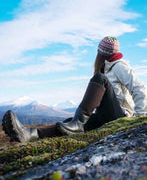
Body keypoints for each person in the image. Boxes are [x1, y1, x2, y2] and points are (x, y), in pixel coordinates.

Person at [2, 36, 147, 142]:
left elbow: (140, 88)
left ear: (100, 53)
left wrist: (138, 119)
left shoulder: (119, 66)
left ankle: (78, 123)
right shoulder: (107, 68)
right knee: (68, 123)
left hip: (119, 116)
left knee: (99, 80)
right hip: (105, 116)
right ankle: (28, 134)